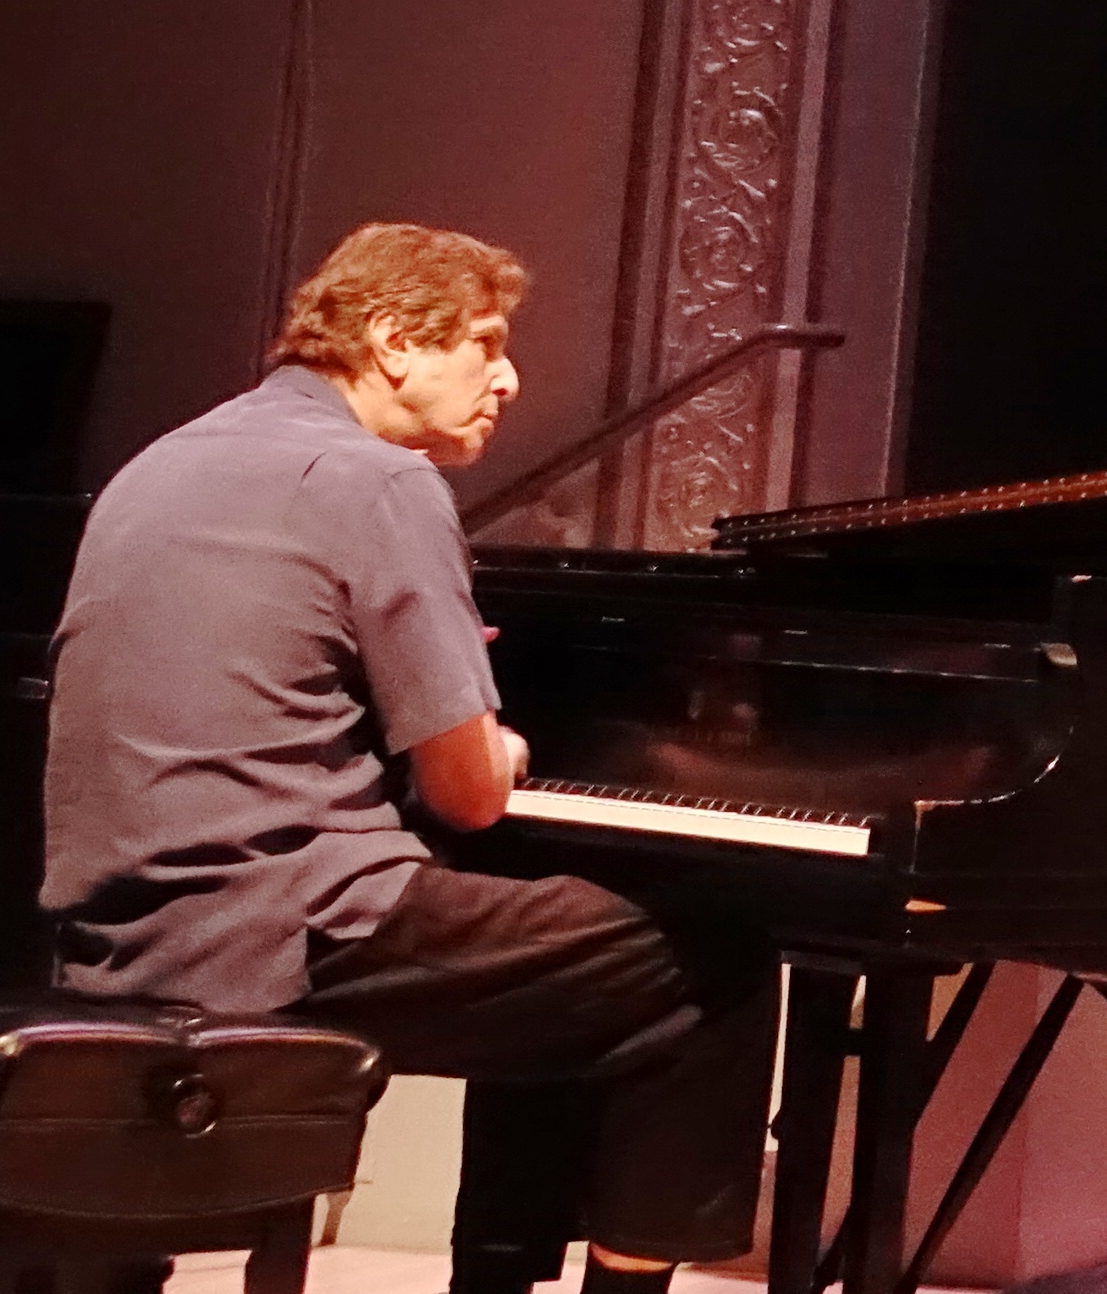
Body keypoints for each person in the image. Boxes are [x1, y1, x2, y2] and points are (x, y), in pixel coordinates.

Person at [37, 223, 775, 1294]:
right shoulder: (382, 479)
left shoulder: (161, 460)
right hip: (287, 932)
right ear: (391, 340)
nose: (509, 376)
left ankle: (501, 1264)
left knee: (555, 944)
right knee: (713, 958)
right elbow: (468, 798)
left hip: (114, 933)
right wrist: (505, 740)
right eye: (483, 341)